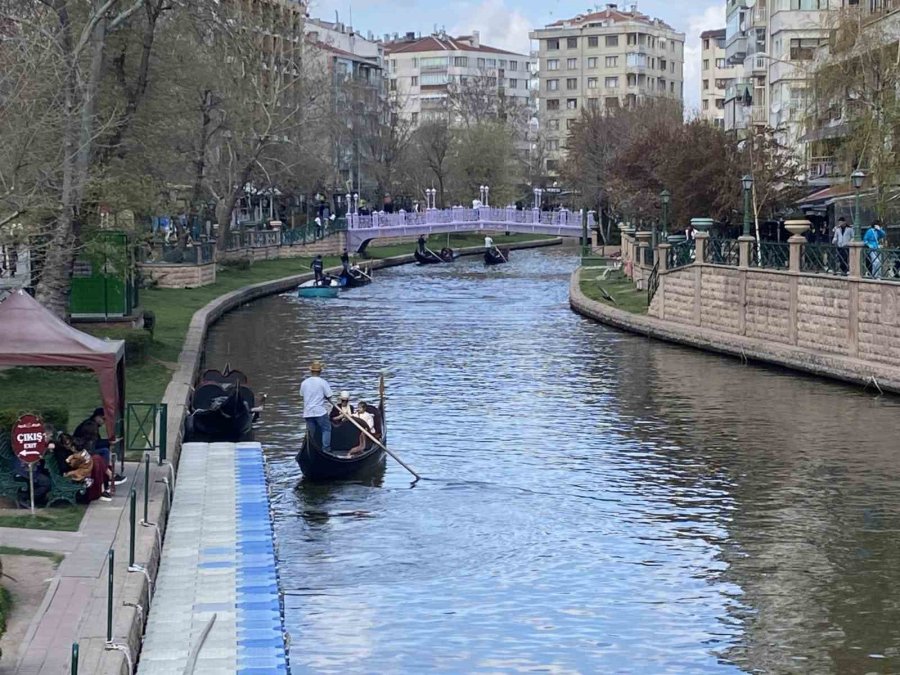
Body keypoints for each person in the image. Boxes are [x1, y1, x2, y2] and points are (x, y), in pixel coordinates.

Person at [73, 408, 126, 485]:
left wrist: (109, 442)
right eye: (103, 419)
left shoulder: (92, 425)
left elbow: (95, 442)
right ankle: (107, 475)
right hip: (82, 451)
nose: (104, 422)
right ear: (97, 417)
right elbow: (93, 445)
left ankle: (108, 474)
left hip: (84, 449)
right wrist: (109, 442)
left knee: (104, 450)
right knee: (104, 451)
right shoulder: (90, 426)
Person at [300, 360, 334, 453]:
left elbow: (302, 395)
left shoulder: (304, 383)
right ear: (320, 372)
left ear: (311, 371)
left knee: (311, 433)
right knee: (326, 428)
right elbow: (329, 396)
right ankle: (326, 449)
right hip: (320, 412)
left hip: (308, 412)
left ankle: (311, 449)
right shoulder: (323, 382)